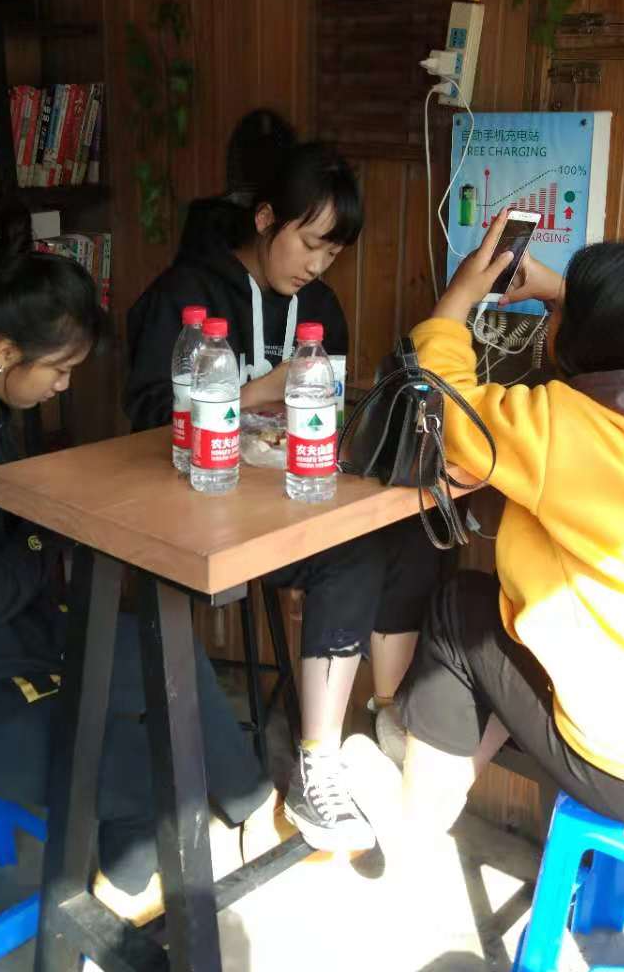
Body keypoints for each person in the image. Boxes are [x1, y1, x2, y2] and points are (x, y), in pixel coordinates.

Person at [0, 210, 277, 902]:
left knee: (161, 648)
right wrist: (50, 531)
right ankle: (110, 912)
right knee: (163, 771)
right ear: (6, 353)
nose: (63, 386)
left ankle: (251, 807)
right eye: (59, 370)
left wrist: (43, 528)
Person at [344, 212, 624, 871]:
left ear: (583, 336)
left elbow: (444, 402)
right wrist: (564, 293)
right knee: (512, 629)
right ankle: (436, 758)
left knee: (461, 614)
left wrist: (459, 298)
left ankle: (414, 819)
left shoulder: (566, 425)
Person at [125, 120, 447, 852]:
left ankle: (377, 722)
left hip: (284, 505)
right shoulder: (189, 294)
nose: (318, 265)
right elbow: (146, 419)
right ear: (267, 218)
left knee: (409, 530)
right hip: (196, 511)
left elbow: (321, 413)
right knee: (353, 555)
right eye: (310, 243)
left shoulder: (321, 308)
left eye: (333, 252)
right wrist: (260, 390)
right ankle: (319, 762)